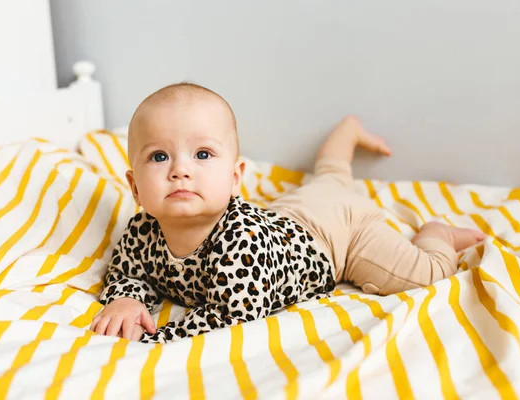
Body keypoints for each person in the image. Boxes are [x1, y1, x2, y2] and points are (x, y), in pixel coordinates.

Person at [90, 83, 486, 343]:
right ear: (135, 187)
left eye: (203, 154)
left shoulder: (239, 240)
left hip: (338, 237)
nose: (180, 169)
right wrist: (124, 299)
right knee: (329, 179)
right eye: (159, 156)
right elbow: (127, 272)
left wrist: (156, 338)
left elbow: (233, 317)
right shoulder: (141, 231)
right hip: (293, 216)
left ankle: (439, 234)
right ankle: (345, 135)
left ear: (235, 178)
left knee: (423, 274)